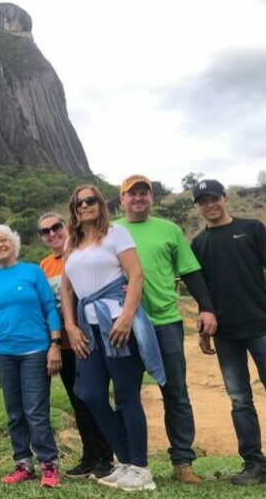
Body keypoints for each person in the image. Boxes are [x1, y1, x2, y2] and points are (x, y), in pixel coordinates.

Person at [61, 184, 165, 492]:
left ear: (100, 204)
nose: (84, 206)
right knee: (90, 392)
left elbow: (135, 275)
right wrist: (70, 325)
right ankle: (126, 460)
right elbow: (67, 290)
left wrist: (127, 317)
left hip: (116, 322)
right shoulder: (72, 241)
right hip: (88, 328)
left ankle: (140, 468)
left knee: (125, 395)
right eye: (78, 203)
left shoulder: (116, 233)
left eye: (90, 200)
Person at [114, 174, 217, 484]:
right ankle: (130, 461)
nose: (139, 198)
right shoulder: (112, 230)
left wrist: (206, 307)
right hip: (124, 323)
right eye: (132, 194)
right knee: (126, 394)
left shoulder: (169, 230)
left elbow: (191, 271)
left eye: (144, 193)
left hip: (165, 321)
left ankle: (182, 462)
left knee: (176, 393)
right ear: (122, 200)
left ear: (151, 199)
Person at [191, 179, 266, 485]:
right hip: (225, 333)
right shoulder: (199, 244)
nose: (210, 204)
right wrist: (204, 331)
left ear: (226, 199)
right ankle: (254, 465)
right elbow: (202, 294)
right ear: (199, 206)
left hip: (263, 325)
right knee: (240, 399)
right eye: (203, 201)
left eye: (214, 198)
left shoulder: (252, 228)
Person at [0, 224, 62, 487]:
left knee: (35, 410)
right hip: (4, 353)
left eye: (3, 239)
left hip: (35, 350)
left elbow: (50, 308)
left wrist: (55, 343)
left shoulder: (32, 271)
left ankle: (49, 464)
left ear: (14, 242)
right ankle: (23, 464)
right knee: (14, 413)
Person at [37, 211, 113, 479]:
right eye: (44, 231)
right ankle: (90, 456)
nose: (51, 234)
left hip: (88, 338)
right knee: (78, 401)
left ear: (66, 227)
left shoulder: (82, 254)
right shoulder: (44, 265)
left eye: (56, 227)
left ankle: (107, 455)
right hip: (63, 344)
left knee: (94, 397)